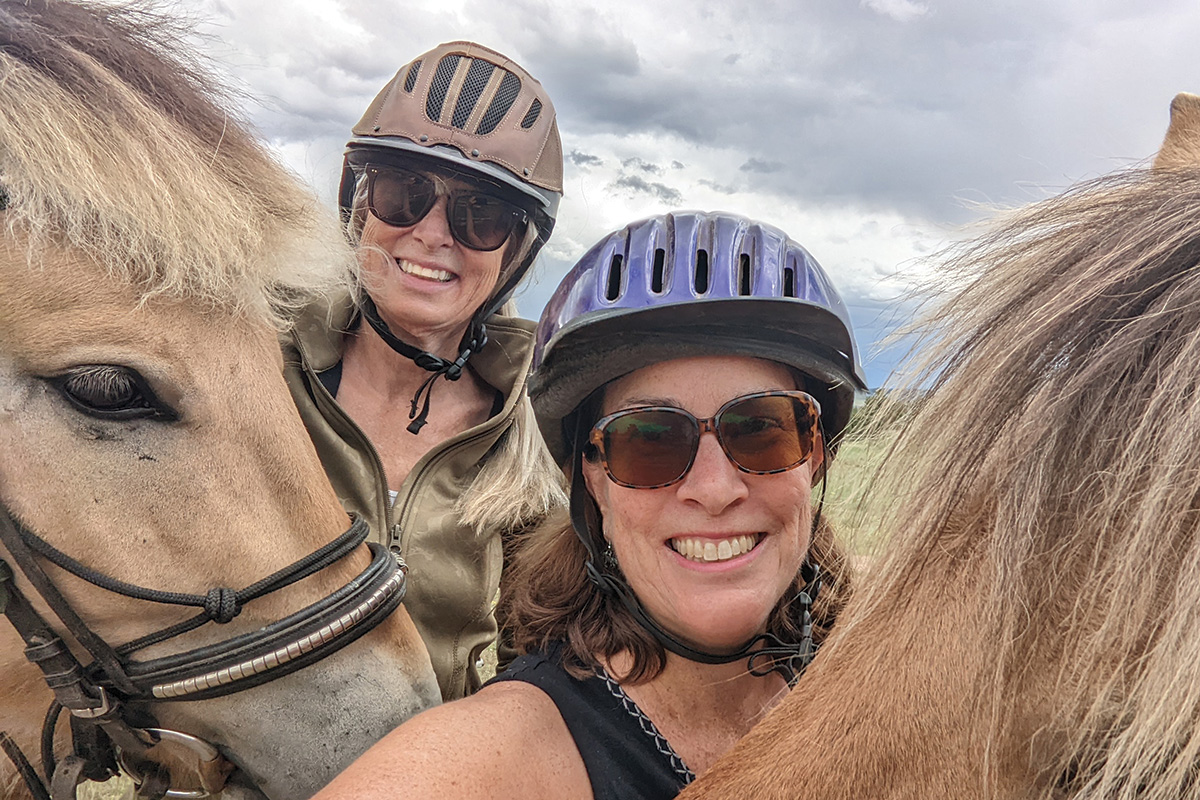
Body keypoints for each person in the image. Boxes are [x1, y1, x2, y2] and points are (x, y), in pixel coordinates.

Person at [312, 210, 868, 799]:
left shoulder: (891, 680)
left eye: (762, 429)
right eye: (649, 441)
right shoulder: (501, 754)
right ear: (595, 483)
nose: (714, 488)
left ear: (814, 457)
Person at [282, 41, 565, 701]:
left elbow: (534, 673)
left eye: (480, 216)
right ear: (360, 205)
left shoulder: (529, 437)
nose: (434, 233)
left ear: (515, 252)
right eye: (403, 193)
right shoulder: (265, 371)